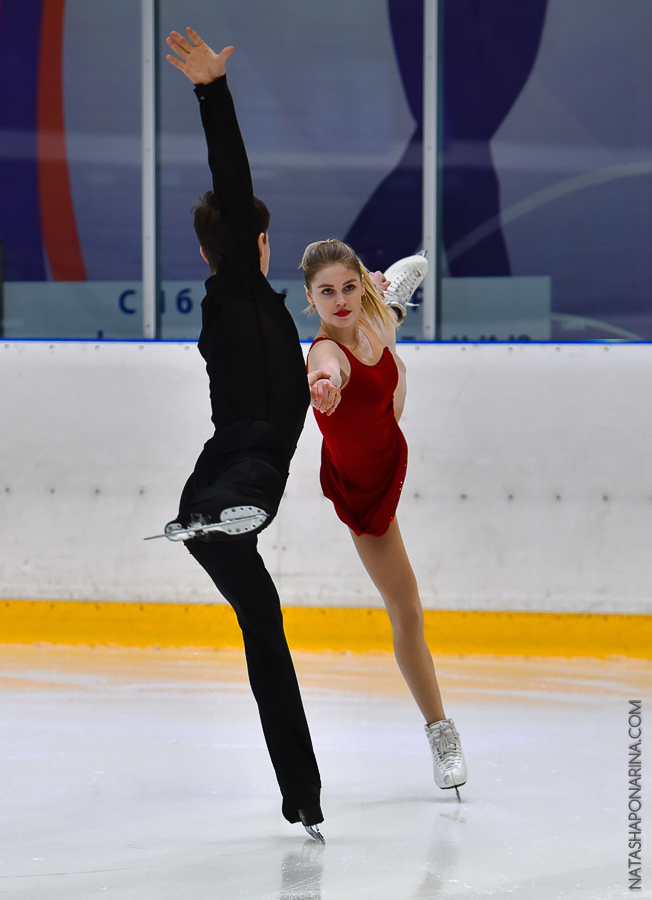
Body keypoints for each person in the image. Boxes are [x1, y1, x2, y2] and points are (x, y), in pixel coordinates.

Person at [160, 27, 329, 841]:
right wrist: (210, 92)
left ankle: (301, 792)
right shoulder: (232, 294)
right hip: (239, 473)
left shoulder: (273, 317)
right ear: (232, 244)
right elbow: (233, 183)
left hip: (219, 490)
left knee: (265, 629)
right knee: (253, 480)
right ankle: (233, 515)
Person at [303, 238, 467, 796]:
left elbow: (362, 311)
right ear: (310, 298)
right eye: (327, 293)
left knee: (386, 325)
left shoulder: (367, 318)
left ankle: (390, 294)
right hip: (364, 488)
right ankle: (441, 730)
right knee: (409, 612)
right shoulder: (325, 352)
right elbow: (329, 369)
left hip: (387, 419)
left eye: (350, 287)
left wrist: (373, 297)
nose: (340, 300)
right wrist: (324, 383)